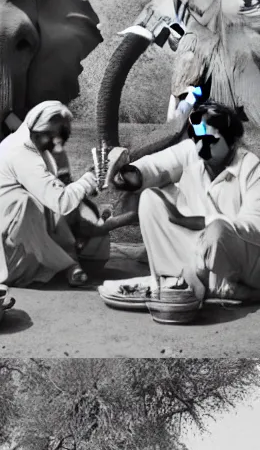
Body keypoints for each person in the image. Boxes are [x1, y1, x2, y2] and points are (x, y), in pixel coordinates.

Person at [108, 98, 260, 303]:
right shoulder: (194, 150)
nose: (201, 145)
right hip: (197, 248)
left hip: (240, 254)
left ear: (231, 140)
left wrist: (204, 222)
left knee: (217, 231)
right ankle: (180, 279)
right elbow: (156, 165)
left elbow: (255, 225)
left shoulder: (251, 166)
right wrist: (127, 175)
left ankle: (235, 288)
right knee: (150, 200)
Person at [0, 101, 109, 286]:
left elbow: (58, 190)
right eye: (51, 135)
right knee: (25, 203)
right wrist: (88, 180)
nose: (56, 142)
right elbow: (61, 201)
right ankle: (67, 264)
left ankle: (68, 260)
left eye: (60, 136)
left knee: (63, 208)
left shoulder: (37, 148)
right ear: (37, 130)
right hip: (7, 243)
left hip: (33, 225)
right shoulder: (21, 152)